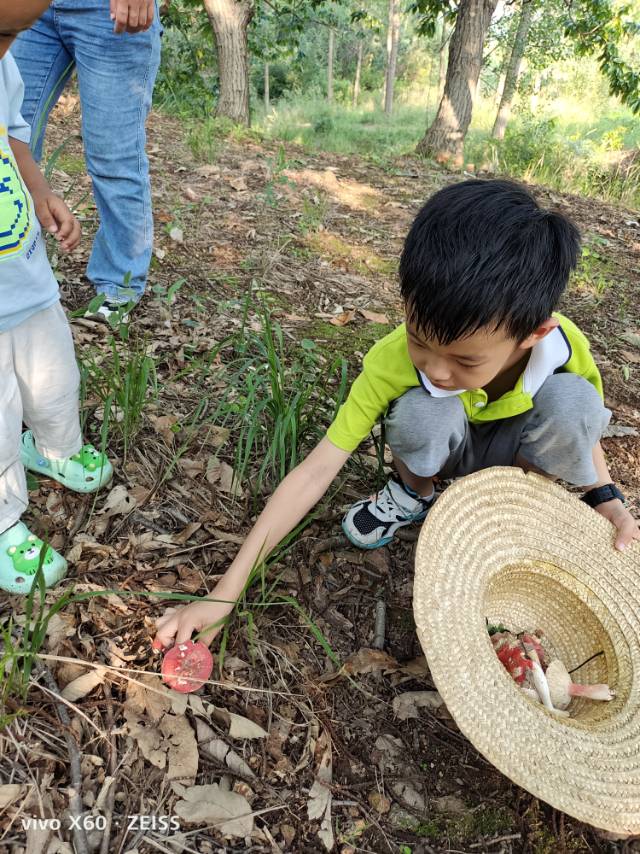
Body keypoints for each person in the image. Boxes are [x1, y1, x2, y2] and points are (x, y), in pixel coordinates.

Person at [153, 179, 640, 649]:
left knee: (575, 401)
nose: (436, 369)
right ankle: (415, 494)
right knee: (419, 412)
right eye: (419, 340)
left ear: (532, 333)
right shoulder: (392, 360)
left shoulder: (563, 347)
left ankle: (510, 508)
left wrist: (609, 500)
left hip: (517, 460)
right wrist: (226, 591)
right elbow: (318, 468)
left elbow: (584, 431)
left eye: (466, 360)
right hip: (444, 451)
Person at [0, 0, 113, 594]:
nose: (5, 48)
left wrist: (39, 190)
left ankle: (54, 445)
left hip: (24, 275)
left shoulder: (2, 63)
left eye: (16, 34)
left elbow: (14, 133)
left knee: (54, 378)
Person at [11, 0, 162, 319]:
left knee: (113, 152)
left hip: (107, 9)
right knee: (5, 141)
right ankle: (13, 270)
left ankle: (119, 286)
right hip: (24, 8)